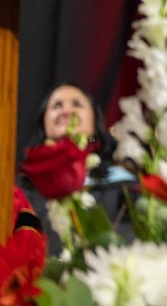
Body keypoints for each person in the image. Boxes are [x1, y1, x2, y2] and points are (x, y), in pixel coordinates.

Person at [19, 84, 134, 256]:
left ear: (95, 122)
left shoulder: (121, 182)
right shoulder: (22, 188)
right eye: (57, 105)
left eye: (77, 104)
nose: (66, 110)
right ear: (44, 124)